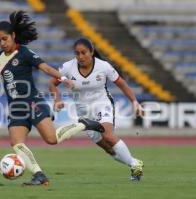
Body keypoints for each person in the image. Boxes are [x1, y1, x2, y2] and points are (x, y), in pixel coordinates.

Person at [0, 11, 104, 186]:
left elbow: (46, 68)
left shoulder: (25, 53)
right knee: (16, 143)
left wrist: (64, 78)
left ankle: (84, 124)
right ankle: (39, 175)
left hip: (33, 102)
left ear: (13, 36)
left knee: (51, 139)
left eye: (5, 38)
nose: (2, 43)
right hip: (16, 108)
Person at [49, 38, 145, 181]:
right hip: (83, 112)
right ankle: (135, 163)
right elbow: (52, 83)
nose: (80, 57)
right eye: (77, 54)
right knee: (108, 148)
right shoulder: (68, 67)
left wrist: (135, 102)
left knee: (108, 136)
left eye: (84, 53)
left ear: (92, 52)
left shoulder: (104, 66)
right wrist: (57, 100)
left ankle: (134, 165)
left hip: (102, 103)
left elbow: (122, 84)